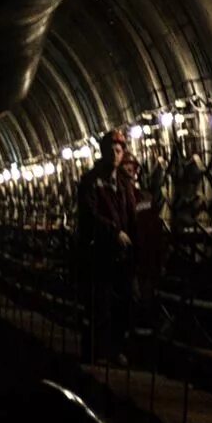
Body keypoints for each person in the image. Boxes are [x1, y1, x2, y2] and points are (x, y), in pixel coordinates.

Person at [75, 129, 138, 359]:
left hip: (122, 256)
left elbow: (132, 216)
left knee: (125, 303)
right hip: (98, 254)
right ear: (102, 152)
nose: (115, 153)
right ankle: (97, 353)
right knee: (100, 305)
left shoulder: (124, 184)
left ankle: (116, 348)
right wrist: (114, 233)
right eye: (111, 149)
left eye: (119, 150)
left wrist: (136, 241)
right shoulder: (91, 182)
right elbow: (89, 216)